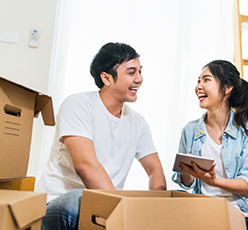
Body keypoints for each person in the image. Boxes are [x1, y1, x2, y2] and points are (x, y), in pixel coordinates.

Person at [36, 42, 167, 230]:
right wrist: (122, 211)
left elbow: (155, 169)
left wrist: (159, 205)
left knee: (174, 198)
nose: (139, 79)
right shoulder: (78, 105)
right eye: (131, 72)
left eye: (140, 71)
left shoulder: (138, 122)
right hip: (58, 203)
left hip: (102, 206)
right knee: (80, 198)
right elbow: (85, 165)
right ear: (106, 78)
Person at [172, 60, 248, 230]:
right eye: (198, 81)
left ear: (227, 87)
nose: (199, 86)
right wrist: (190, 173)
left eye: (206, 80)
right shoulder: (190, 130)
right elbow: (187, 183)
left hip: (247, 215)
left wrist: (214, 181)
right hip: (208, 213)